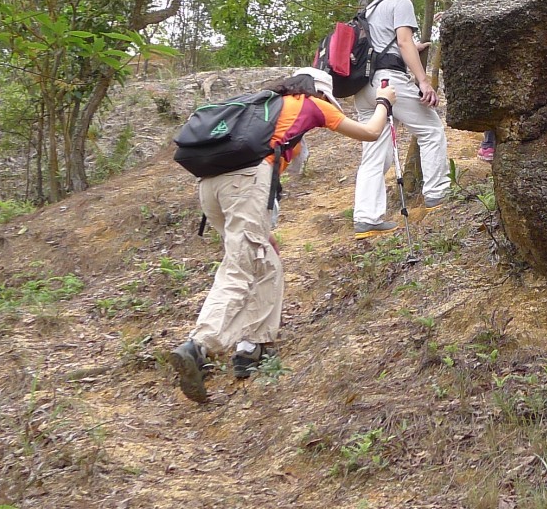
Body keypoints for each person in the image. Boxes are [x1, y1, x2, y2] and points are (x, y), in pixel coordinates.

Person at [168, 69, 393, 403]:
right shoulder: (311, 105)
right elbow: (370, 132)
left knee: (266, 263)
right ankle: (199, 346)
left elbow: (293, 156)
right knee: (240, 268)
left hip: (210, 186)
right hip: (243, 182)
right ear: (320, 92)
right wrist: (385, 103)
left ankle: (251, 349)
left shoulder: (264, 106)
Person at [353, 0, 450, 232]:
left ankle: (366, 218)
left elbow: (391, 44)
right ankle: (437, 192)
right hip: (389, 81)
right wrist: (423, 81)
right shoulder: (401, 3)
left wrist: (405, 47)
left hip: (363, 87)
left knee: (374, 151)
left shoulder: (370, 9)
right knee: (431, 129)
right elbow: (404, 41)